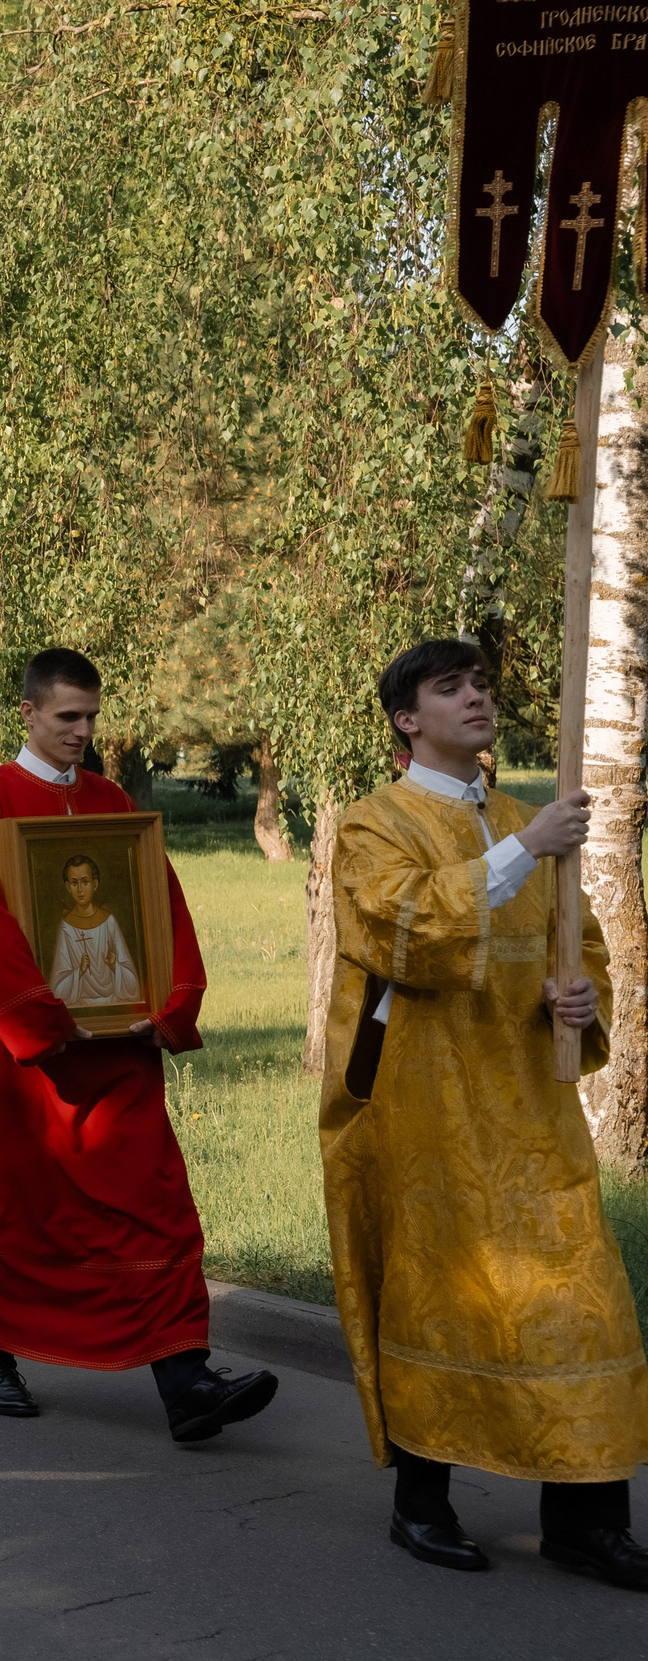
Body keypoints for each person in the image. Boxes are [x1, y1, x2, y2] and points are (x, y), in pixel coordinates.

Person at [320, 638, 648, 1584]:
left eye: (483, 685)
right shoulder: (374, 823)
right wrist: (525, 849)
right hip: (429, 1103)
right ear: (405, 718)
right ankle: (422, 1502)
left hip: (529, 1103)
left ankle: (586, 1516)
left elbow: (574, 942)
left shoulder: (523, 818)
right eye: (449, 687)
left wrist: (576, 997)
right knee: (444, 1291)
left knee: (578, 1295)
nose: (476, 698)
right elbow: (400, 928)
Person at [0, 648, 275, 1440]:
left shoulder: (112, 801)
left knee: (151, 1202)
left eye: (91, 716)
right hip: (31, 1064)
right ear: (28, 713)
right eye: (67, 718)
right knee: (31, 1207)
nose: (83, 731)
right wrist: (46, 1020)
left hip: (120, 1053)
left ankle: (186, 1377)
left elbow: (161, 905)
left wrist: (169, 1002)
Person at [46, 855, 141, 1006]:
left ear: (95, 884)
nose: (80, 889)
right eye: (74, 883)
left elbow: (133, 984)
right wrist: (79, 971)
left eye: (85, 882)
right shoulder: (66, 927)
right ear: (67, 887)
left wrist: (114, 965)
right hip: (80, 1006)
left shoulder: (108, 922)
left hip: (113, 1001)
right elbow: (57, 990)